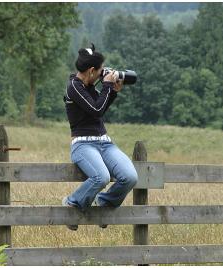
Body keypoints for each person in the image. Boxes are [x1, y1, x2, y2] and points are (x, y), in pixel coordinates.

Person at [62, 44, 138, 231]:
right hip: (83, 145)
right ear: (91, 71)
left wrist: (113, 92)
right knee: (101, 177)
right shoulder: (74, 87)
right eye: (100, 71)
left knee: (130, 176)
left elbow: (99, 107)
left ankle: (103, 204)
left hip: (104, 142)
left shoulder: (88, 86)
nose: (102, 73)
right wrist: (107, 86)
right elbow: (96, 110)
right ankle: (72, 203)